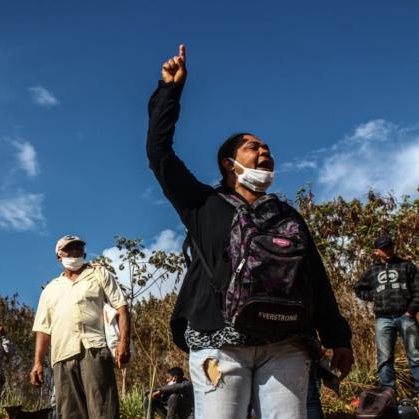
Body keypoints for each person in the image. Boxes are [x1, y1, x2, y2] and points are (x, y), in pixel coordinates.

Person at [146, 45, 354, 418]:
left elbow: (315, 278)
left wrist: (338, 338)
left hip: (286, 343)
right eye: (254, 147)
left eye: (268, 149)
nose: (264, 152)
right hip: (217, 343)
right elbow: (158, 154)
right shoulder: (202, 203)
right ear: (229, 163)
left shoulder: (286, 215)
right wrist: (170, 91)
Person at [29, 235, 130, 419]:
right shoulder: (51, 289)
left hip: (95, 350)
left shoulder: (99, 273)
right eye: (69, 249)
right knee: (70, 413)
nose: (75, 252)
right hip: (62, 356)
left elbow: (121, 308)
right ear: (59, 256)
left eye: (78, 248)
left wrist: (124, 342)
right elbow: (43, 329)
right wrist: (37, 362)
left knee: (103, 410)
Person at [355, 234, 419, 394]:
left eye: (390, 246)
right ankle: (388, 396)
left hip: (406, 316)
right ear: (377, 251)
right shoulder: (372, 270)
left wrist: (411, 312)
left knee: (416, 356)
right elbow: (358, 288)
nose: (388, 250)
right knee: (384, 359)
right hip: (382, 318)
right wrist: (372, 296)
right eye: (384, 248)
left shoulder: (407, 266)